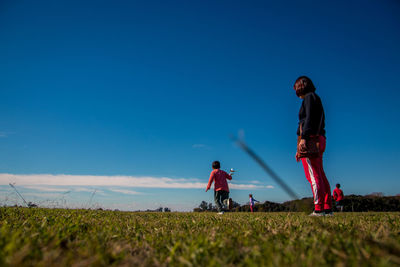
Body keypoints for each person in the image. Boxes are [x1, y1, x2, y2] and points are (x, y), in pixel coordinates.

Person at [294, 76, 333, 216]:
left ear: (301, 86)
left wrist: (302, 140)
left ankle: (319, 208)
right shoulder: (316, 98)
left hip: (311, 139)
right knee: (320, 174)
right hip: (319, 138)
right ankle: (327, 207)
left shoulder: (309, 98)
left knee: (313, 175)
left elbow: (308, 119)